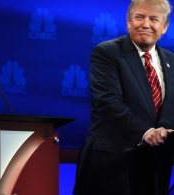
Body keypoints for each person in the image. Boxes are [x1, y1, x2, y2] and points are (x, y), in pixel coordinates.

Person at [74, 0, 174, 194]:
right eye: (139, 17)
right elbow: (107, 102)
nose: (146, 24)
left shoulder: (172, 61)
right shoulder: (107, 52)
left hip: (156, 168)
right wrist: (146, 132)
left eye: (154, 19)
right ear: (129, 22)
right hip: (113, 166)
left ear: (164, 27)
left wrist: (166, 133)